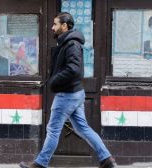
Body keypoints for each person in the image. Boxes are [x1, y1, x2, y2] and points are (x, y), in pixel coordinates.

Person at [19, 12, 115, 168]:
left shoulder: (72, 44)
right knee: (82, 128)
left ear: (64, 25)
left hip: (67, 94)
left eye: (55, 24)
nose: (52, 27)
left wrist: (54, 81)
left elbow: (74, 69)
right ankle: (107, 160)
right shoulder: (66, 42)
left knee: (53, 128)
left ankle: (40, 164)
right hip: (74, 93)